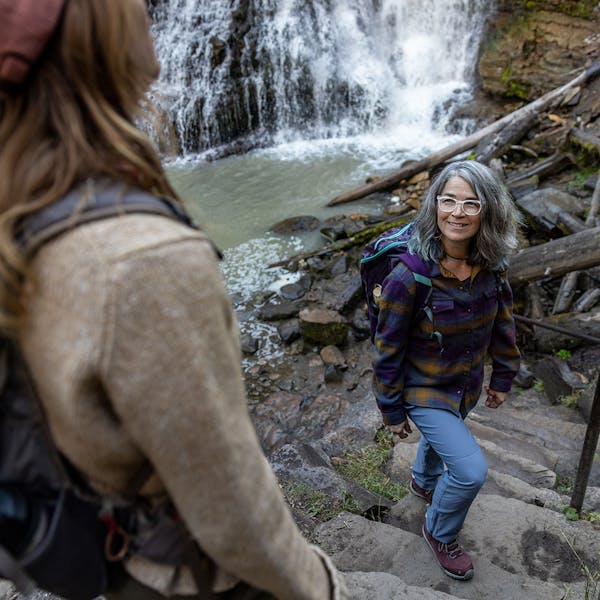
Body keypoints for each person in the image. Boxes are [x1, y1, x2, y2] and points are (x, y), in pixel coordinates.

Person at [0, 1, 347, 599]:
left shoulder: (25, 214)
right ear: (96, 34)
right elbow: (229, 500)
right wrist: (324, 589)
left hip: (104, 546)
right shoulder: (143, 260)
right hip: (184, 574)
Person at [372, 160, 522, 581]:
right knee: (471, 470)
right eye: (449, 200)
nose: (457, 212)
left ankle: (423, 482)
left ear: (487, 211)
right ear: (435, 205)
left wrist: (503, 377)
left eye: (471, 203)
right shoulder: (410, 277)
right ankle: (438, 530)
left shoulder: (492, 269)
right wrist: (391, 410)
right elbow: (387, 350)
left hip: (466, 385)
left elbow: (504, 327)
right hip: (424, 390)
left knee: (444, 440)